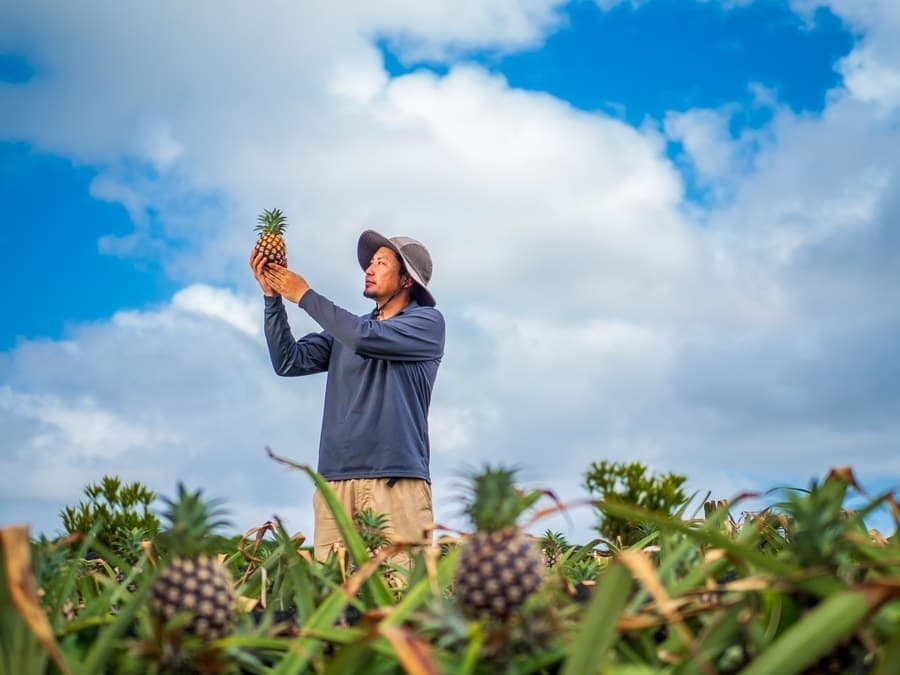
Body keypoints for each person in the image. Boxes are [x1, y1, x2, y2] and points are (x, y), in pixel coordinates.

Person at [249, 230, 445, 565]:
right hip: (335, 484)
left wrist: (305, 295)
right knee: (335, 601)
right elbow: (288, 361)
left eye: (381, 263)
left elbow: (363, 338)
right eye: (369, 263)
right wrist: (273, 299)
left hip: (395, 483)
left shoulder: (426, 323)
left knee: (402, 597)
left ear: (406, 280)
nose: (369, 268)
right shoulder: (347, 332)